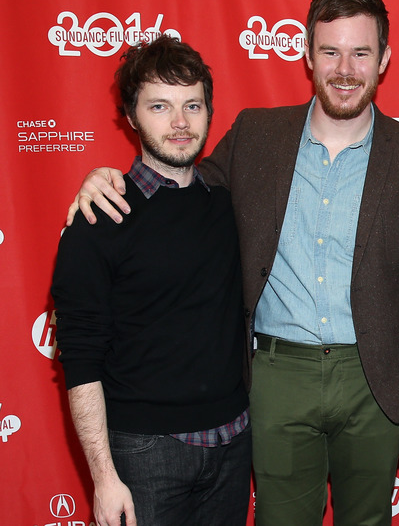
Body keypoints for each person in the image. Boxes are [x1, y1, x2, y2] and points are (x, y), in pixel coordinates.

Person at [66, 0, 399, 526]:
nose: (345, 68)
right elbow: (182, 183)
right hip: (276, 375)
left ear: (384, 59)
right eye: (330, 51)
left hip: (376, 377)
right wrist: (105, 178)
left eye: (361, 52)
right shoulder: (256, 134)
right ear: (306, 55)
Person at [52, 36, 250, 526]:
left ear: (208, 112)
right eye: (160, 106)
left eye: (192, 106)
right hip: (145, 454)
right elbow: (79, 362)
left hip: (235, 444)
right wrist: (103, 477)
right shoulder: (98, 220)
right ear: (132, 115)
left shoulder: (229, 205)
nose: (180, 123)